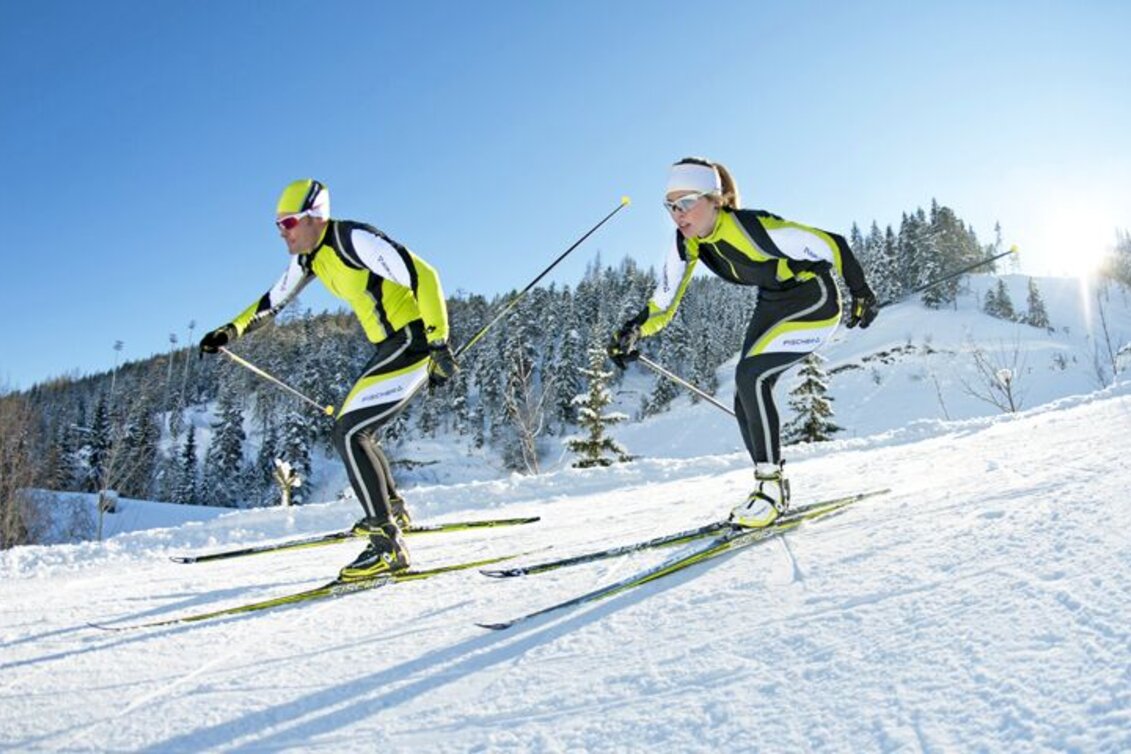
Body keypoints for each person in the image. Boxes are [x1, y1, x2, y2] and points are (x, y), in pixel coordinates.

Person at [199, 179, 457, 580]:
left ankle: (386, 544)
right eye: (278, 225)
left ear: (314, 218)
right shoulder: (310, 258)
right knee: (354, 432)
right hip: (389, 345)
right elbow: (272, 301)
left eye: (287, 223)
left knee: (349, 433)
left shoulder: (353, 239)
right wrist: (230, 331)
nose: (281, 232)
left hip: (414, 340)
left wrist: (439, 342)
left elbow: (424, 276)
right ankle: (393, 514)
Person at [608, 158, 876, 528]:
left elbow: (832, 244)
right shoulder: (689, 244)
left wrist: (861, 291)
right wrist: (635, 329)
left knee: (752, 376)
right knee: (743, 391)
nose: (677, 214)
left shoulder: (752, 227)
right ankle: (770, 488)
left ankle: (769, 492)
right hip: (772, 302)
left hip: (814, 299)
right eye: (670, 205)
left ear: (715, 199)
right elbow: (664, 303)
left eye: (685, 202)